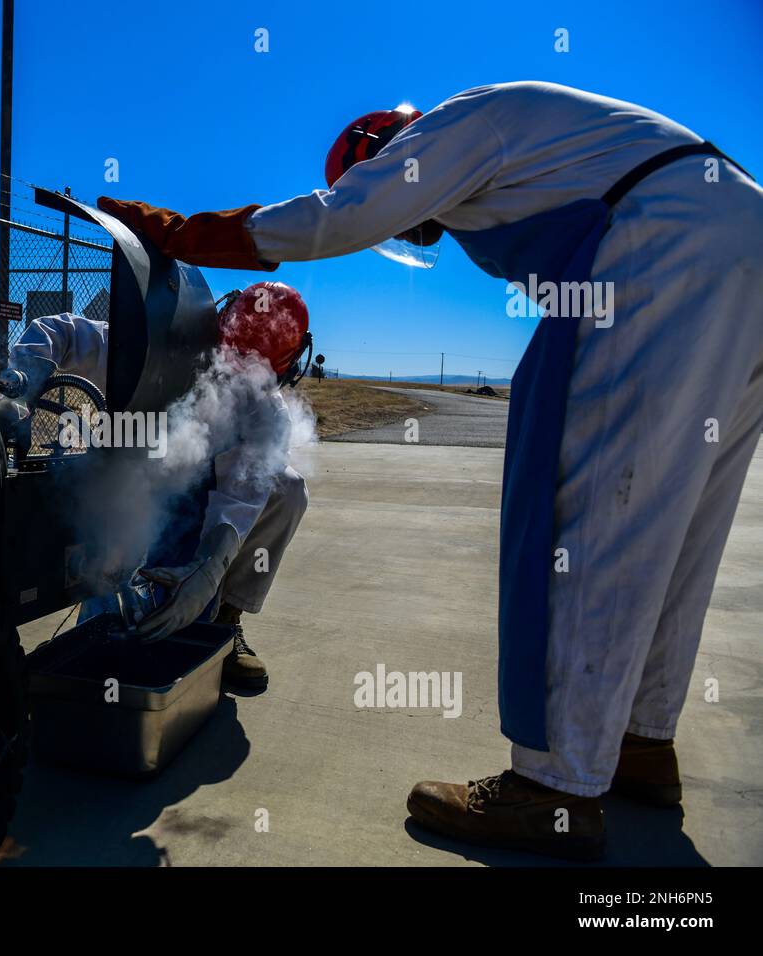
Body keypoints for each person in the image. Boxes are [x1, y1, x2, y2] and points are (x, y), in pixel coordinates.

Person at [98, 80, 763, 860]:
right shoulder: (547, 138)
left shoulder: (454, 126)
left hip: (657, 257)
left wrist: (181, 234)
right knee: (676, 523)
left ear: (382, 150)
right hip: (740, 243)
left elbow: (336, 218)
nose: (411, 230)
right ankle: (640, 745)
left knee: (584, 519)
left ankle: (554, 790)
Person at [6, 282, 312, 690]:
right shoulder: (163, 348)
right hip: (138, 479)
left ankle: (225, 621)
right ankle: (96, 632)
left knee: (288, 489)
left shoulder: (267, 412)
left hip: (207, 493)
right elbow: (57, 331)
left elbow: (241, 497)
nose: (233, 379)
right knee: (114, 592)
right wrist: (25, 379)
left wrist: (208, 568)